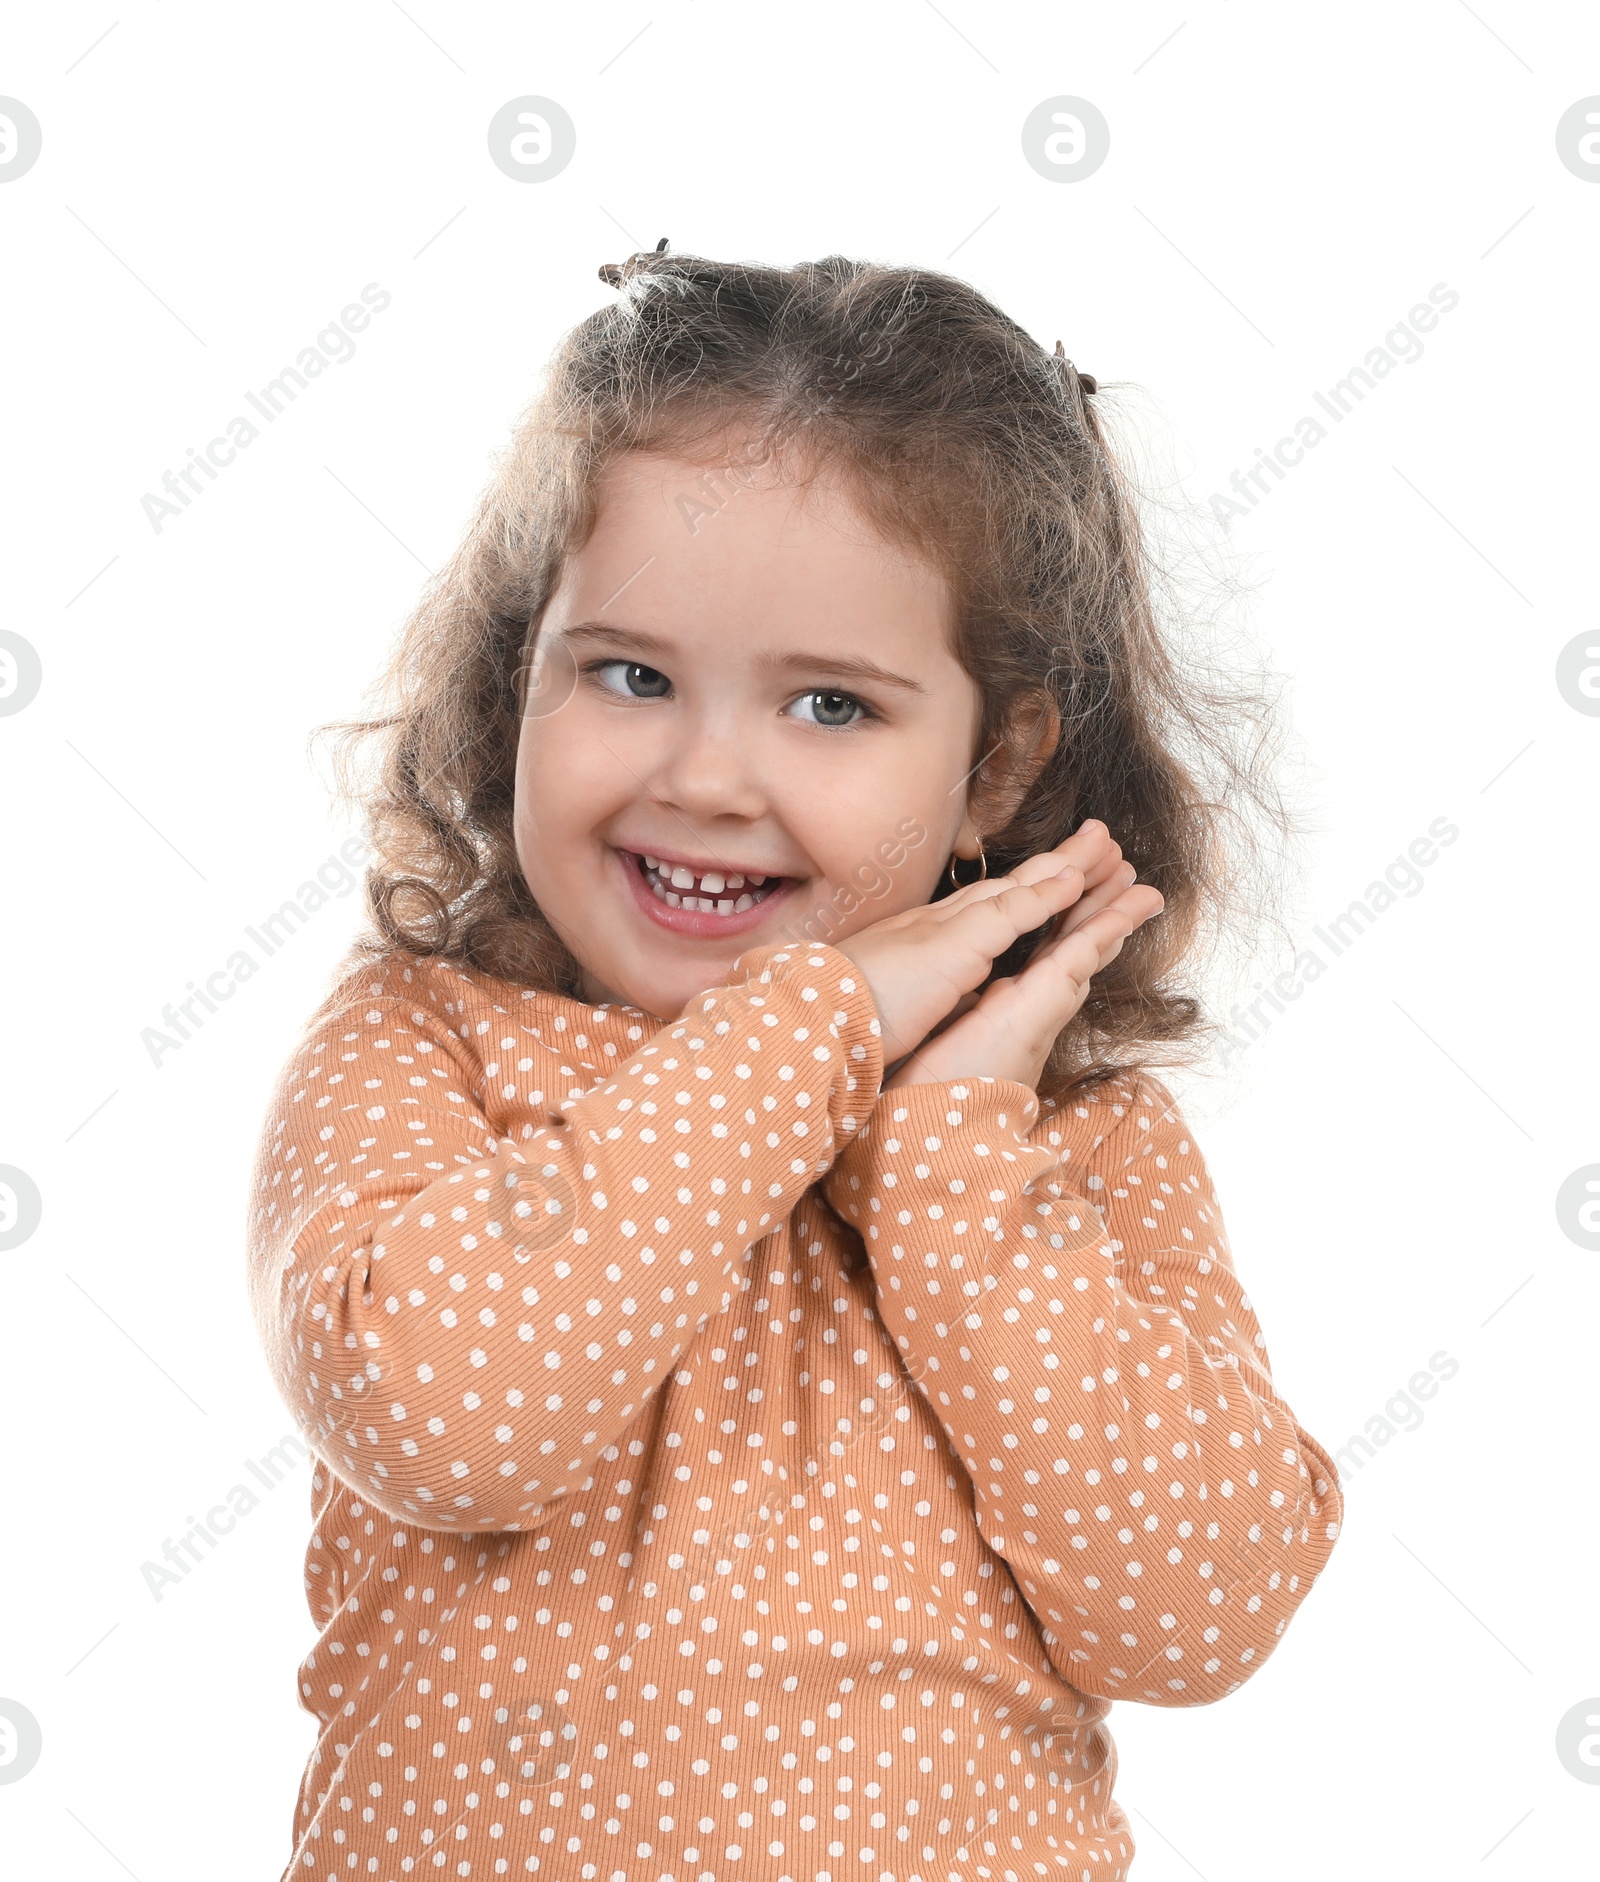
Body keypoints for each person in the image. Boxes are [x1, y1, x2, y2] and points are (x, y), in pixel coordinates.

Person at [247, 241, 1343, 1882]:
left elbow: (1199, 1605)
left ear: (997, 769)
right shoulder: (427, 1038)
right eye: (628, 674)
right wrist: (819, 1024)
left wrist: (955, 1140)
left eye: (830, 706)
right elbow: (443, 1411)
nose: (705, 774)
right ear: (514, 674)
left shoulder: (1071, 1136)